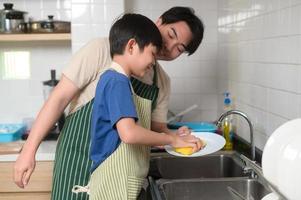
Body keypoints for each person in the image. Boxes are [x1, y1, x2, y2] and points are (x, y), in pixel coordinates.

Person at [14, 6, 204, 200]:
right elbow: (59, 98)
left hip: (117, 177)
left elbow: (156, 128)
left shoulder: (161, 82)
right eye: (171, 35)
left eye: (179, 48)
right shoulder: (102, 51)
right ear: (159, 21)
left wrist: (175, 135)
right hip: (77, 161)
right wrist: (28, 151)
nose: (169, 47)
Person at [86, 13, 203, 200]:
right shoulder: (117, 81)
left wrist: (174, 136)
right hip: (114, 180)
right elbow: (129, 133)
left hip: (120, 178)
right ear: (132, 46)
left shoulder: (118, 80)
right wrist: (171, 140)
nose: (153, 62)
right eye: (152, 54)